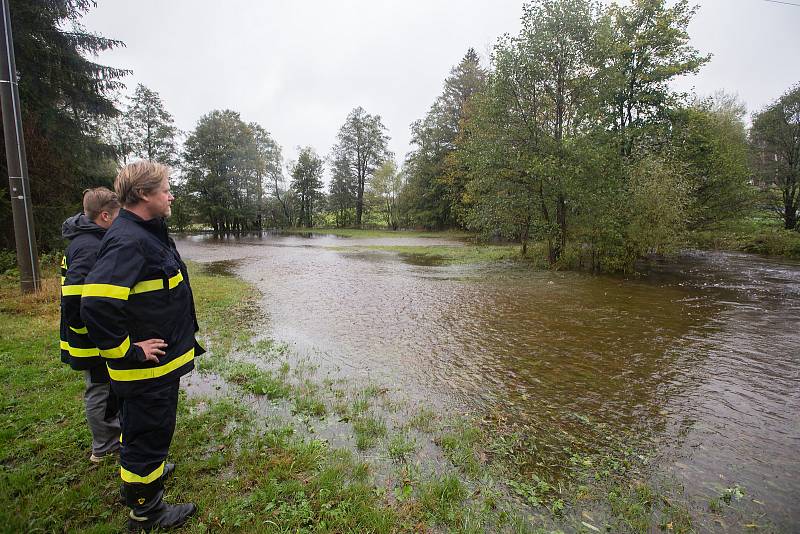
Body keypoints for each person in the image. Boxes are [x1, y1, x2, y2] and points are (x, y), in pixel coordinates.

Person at [81, 161, 203, 532]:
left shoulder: (146, 232)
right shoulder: (129, 240)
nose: (171, 195)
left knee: (148, 431)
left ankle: (146, 475)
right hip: (146, 370)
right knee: (146, 436)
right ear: (144, 194)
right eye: (166, 189)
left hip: (158, 368)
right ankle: (146, 511)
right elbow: (97, 304)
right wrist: (130, 351)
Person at [60, 187, 121, 463]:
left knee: (107, 386)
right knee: (100, 388)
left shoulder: (90, 239)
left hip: (93, 332)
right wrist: (91, 333)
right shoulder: (88, 246)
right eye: (119, 214)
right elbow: (73, 299)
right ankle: (105, 445)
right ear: (105, 216)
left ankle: (112, 435)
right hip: (90, 337)